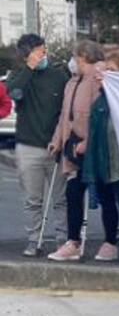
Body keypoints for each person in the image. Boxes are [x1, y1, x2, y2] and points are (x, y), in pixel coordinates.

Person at [48, 40, 119, 262]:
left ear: (83, 57)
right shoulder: (72, 83)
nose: (73, 62)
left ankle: (110, 242)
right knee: (73, 193)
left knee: (105, 193)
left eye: (76, 58)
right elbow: (65, 115)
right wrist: (57, 141)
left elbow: (100, 113)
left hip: (95, 147)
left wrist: (88, 141)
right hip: (73, 145)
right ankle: (73, 241)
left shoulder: (98, 78)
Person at [6, 34, 70, 257]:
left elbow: (66, 109)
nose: (44, 55)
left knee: (61, 198)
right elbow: (14, 93)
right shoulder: (19, 76)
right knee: (33, 199)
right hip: (28, 146)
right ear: (27, 54)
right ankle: (34, 239)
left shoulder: (59, 76)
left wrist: (60, 138)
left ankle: (63, 238)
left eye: (44, 50)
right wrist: (29, 69)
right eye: (39, 51)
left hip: (56, 146)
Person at [81, 49, 119, 264]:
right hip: (106, 164)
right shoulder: (101, 101)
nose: (104, 75)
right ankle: (112, 243)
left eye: (111, 71)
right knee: (109, 206)